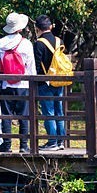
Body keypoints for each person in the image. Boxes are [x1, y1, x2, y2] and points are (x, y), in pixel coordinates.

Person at [0, 12, 35, 153]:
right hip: (22, 84)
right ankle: (23, 145)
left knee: (6, 115)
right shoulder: (26, 44)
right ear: (20, 29)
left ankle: (7, 145)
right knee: (23, 116)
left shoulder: (0, 44)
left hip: (5, 83)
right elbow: (31, 66)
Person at [33, 15, 67, 150]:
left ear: (37, 28)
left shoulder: (39, 43)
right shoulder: (60, 41)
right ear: (50, 26)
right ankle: (61, 141)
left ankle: (52, 141)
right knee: (59, 111)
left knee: (49, 113)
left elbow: (36, 66)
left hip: (44, 82)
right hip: (59, 80)